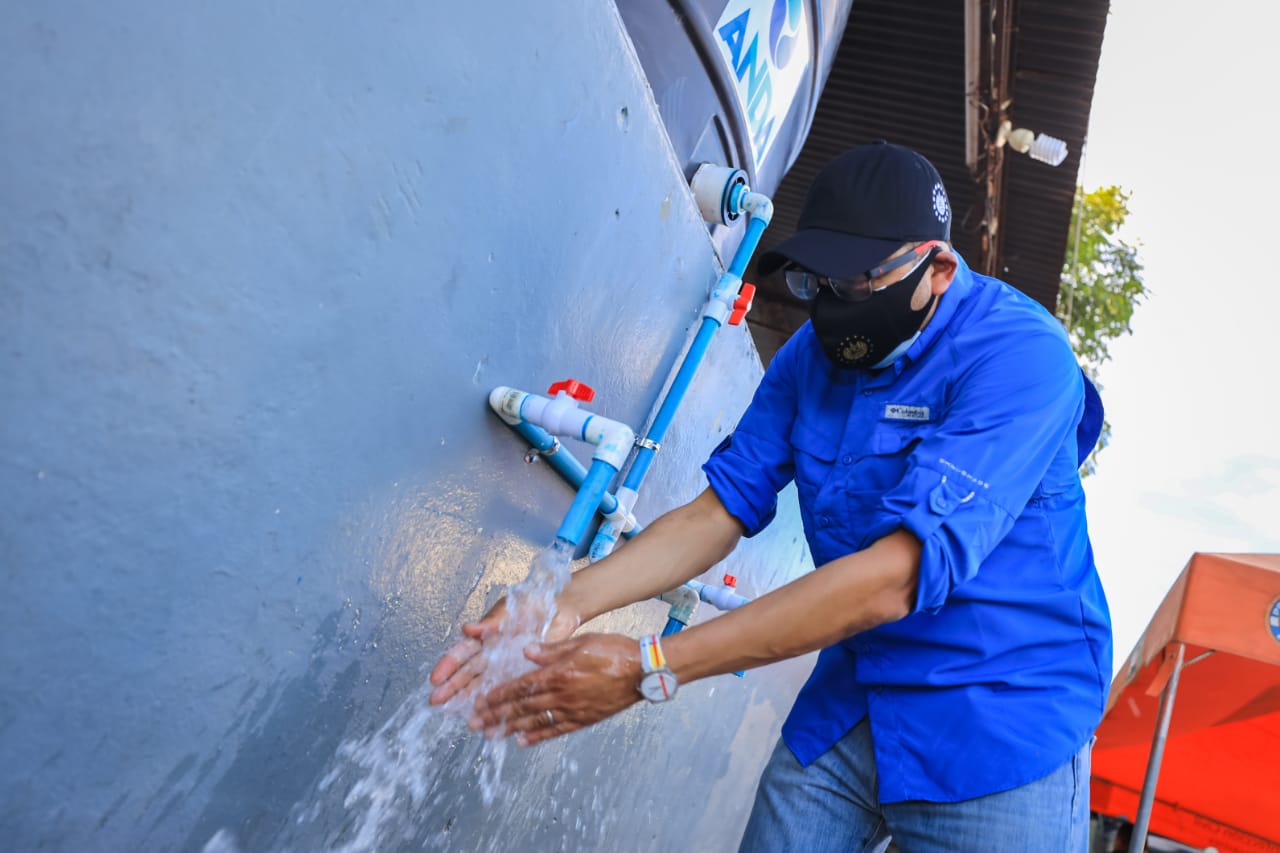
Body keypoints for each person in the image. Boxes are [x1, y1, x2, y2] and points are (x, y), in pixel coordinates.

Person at [429, 141, 1113, 851]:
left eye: (856, 282)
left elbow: (895, 577)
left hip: (1000, 717)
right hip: (856, 697)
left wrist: (651, 668)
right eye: (819, 282)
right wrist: (562, 601)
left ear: (936, 267)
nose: (834, 305)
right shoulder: (812, 357)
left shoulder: (1020, 357)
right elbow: (716, 512)